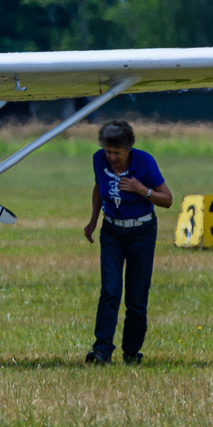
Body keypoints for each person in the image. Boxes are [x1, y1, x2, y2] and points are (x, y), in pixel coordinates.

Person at [82, 120, 173, 365]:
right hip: (111, 231)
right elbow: (98, 187)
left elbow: (167, 199)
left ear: (129, 149)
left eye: (117, 153)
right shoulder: (98, 159)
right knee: (110, 291)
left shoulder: (144, 162)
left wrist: (141, 189)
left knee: (137, 296)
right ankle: (101, 350)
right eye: (108, 152)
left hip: (141, 232)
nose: (111, 157)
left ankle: (132, 352)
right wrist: (93, 220)